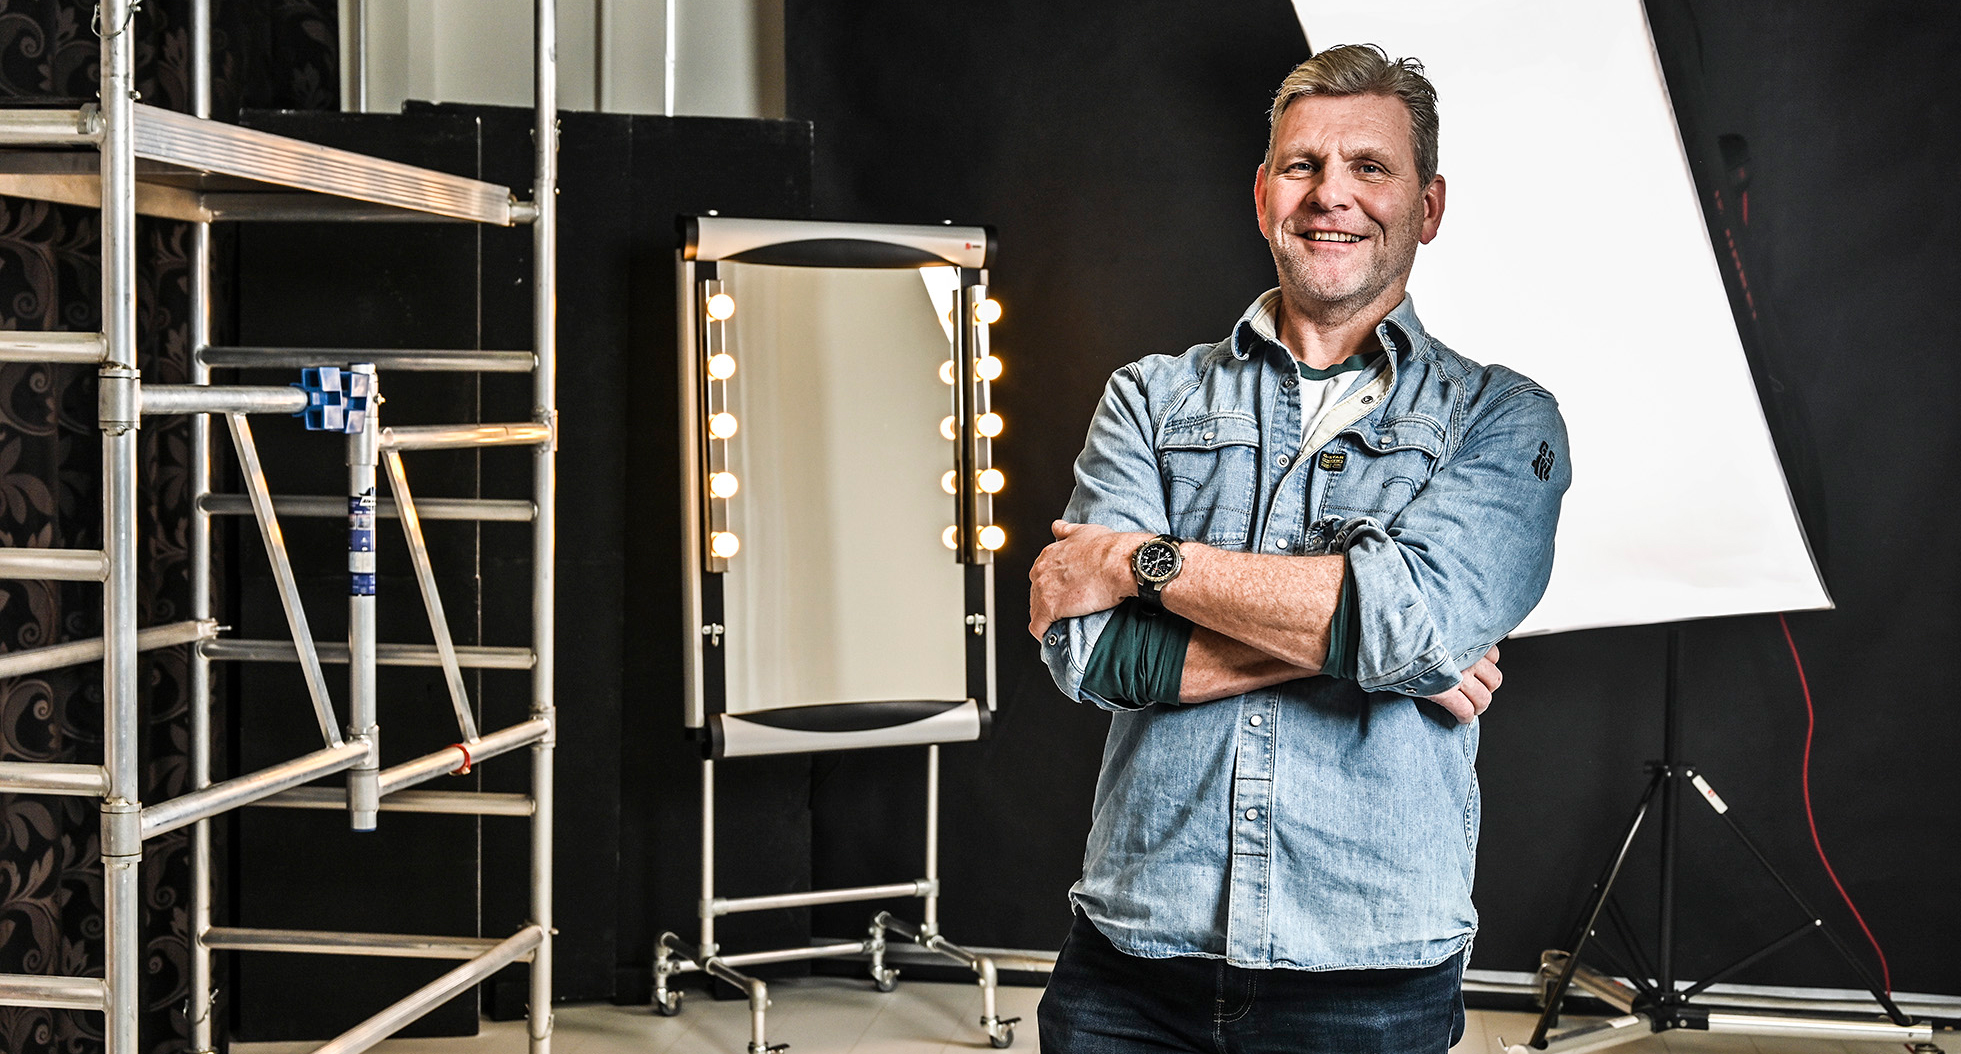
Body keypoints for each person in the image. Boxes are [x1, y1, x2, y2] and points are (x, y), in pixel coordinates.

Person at [1028, 44, 1571, 1054]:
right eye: (1301, 165)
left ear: (1427, 206)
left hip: (1367, 977)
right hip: (1129, 960)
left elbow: (1413, 624)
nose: (1330, 194)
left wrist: (1143, 563)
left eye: (1368, 167)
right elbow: (1092, 655)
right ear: (1261, 195)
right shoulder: (1147, 397)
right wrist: (1385, 646)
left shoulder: (1502, 418)